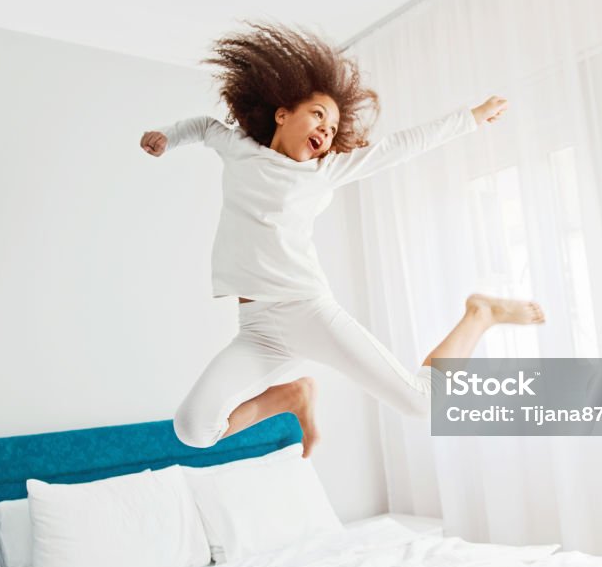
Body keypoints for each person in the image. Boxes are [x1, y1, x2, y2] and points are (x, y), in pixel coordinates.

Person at [140, 23, 545, 457]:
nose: (326, 131)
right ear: (282, 114)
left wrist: (470, 119)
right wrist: (169, 136)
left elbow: (400, 146)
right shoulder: (238, 148)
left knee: (420, 402)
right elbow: (203, 126)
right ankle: (291, 396)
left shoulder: (323, 173)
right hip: (257, 329)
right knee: (192, 429)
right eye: (318, 115)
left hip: (306, 311)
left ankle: (479, 314)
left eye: (332, 129)